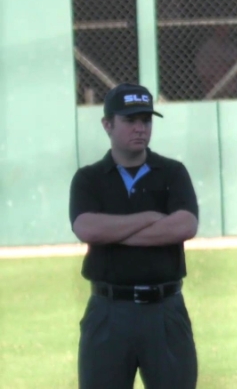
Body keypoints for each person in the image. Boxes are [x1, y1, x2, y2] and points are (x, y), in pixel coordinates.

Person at [69, 83, 199, 389]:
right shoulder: (88, 178)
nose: (140, 128)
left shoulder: (172, 172)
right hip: (108, 311)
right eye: (130, 121)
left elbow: (185, 226)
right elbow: (86, 228)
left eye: (146, 120)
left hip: (165, 311)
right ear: (107, 124)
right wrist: (150, 218)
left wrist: (113, 232)